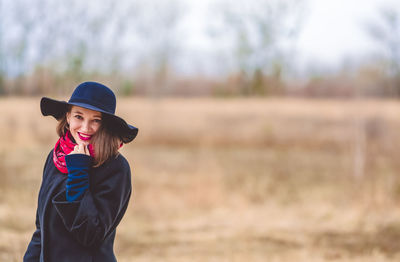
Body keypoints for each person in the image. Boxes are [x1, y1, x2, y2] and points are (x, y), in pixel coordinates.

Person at [23, 81, 138, 262]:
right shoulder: (56, 158)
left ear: (106, 125)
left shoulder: (116, 168)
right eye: (79, 116)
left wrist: (78, 171)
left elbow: (90, 234)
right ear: (68, 117)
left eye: (96, 120)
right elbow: (41, 229)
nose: (85, 128)